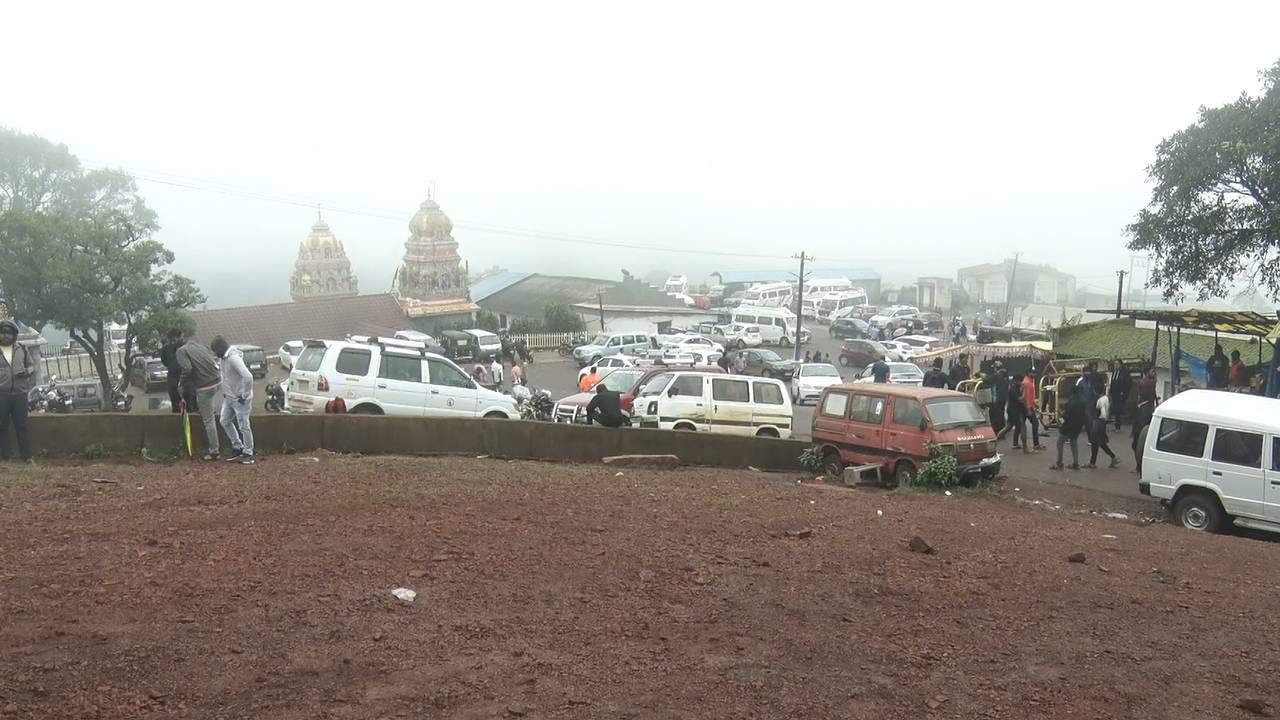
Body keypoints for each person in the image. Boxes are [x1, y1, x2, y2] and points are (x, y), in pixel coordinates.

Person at [175, 334, 223, 460]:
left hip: (205, 386)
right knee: (207, 407)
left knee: (208, 420)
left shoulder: (181, 351)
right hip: (218, 380)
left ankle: (214, 451)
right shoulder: (198, 344)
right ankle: (208, 410)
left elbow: (187, 368)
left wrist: (181, 383)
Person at [211, 336, 255, 465]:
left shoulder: (233, 358)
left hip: (240, 399)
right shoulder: (223, 359)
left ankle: (248, 453)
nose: (214, 354)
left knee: (244, 426)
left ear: (220, 349)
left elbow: (248, 376)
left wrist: (244, 394)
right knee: (224, 421)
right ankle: (238, 447)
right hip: (229, 398)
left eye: (215, 351)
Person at [0, 320, 36, 464]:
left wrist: (27, 372)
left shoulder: (22, 349)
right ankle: (4, 457)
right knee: (2, 426)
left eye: (8, 333)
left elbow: (32, 366)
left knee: (21, 426)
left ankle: (27, 457)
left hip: (20, 394)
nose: (5, 336)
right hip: (2, 393)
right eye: (2, 333)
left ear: (14, 335)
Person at [161, 329, 198, 414]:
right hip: (173, 379)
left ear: (180, 337)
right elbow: (164, 361)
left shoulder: (187, 347)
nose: (173, 342)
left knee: (191, 405)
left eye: (174, 340)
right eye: (171, 340)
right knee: (176, 405)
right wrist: (173, 367)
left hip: (188, 380)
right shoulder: (166, 348)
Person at [1087, 377, 1118, 468]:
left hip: (1098, 423)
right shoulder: (1106, 398)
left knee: (1097, 442)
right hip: (1101, 423)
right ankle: (1093, 462)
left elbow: (1103, 414)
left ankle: (1112, 457)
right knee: (1098, 442)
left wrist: (1100, 418)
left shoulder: (1100, 400)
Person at [1052, 391, 1085, 471]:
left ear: (1072, 394)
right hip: (1078, 426)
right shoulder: (1082, 402)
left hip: (1068, 426)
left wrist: (1061, 414)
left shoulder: (1070, 403)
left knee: (1060, 443)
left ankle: (1059, 463)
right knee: (1074, 443)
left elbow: (1066, 415)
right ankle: (1076, 463)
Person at [1131, 395, 1156, 474]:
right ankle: (1139, 466)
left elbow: (1141, 421)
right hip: (1140, 430)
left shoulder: (1144, 407)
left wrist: (1136, 430)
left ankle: (1139, 466)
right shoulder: (1148, 406)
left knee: (1137, 447)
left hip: (1140, 431)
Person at [1021, 371, 1043, 450]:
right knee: (1035, 423)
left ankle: (1016, 443)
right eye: (1033, 373)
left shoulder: (1029, 381)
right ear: (1029, 373)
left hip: (1027, 406)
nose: (1035, 374)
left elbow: (1030, 396)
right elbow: (1026, 397)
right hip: (1027, 407)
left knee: (1020, 425)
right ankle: (1035, 444)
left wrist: (1034, 403)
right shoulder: (1027, 382)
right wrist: (1028, 409)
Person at [1008, 373, 1029, 452]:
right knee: (1022, 427)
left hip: (1015, 410)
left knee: (1009, 427)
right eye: (1021, 381)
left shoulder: (1015, 387)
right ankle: (1025, 448)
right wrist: (1024, 393)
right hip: (1014, 411)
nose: (1022, 383)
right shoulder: (1013, 389)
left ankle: (995, 440)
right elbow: (1020, 399)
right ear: (1017, 381)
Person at [1108, 361, 1132, 430]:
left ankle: (1117, 426)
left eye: (1117, 364)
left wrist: (1124, 392)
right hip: (1114, 393)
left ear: (1120, 365)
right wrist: (1110, 391)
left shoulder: (1124, 372)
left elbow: (1128, 382)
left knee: (1118, 409)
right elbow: (1112, 382)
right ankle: (1116, 424)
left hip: (1120, 393)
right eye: (1115, 364)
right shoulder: (1114, 372)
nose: (1116, 365)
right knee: (1115, 409)